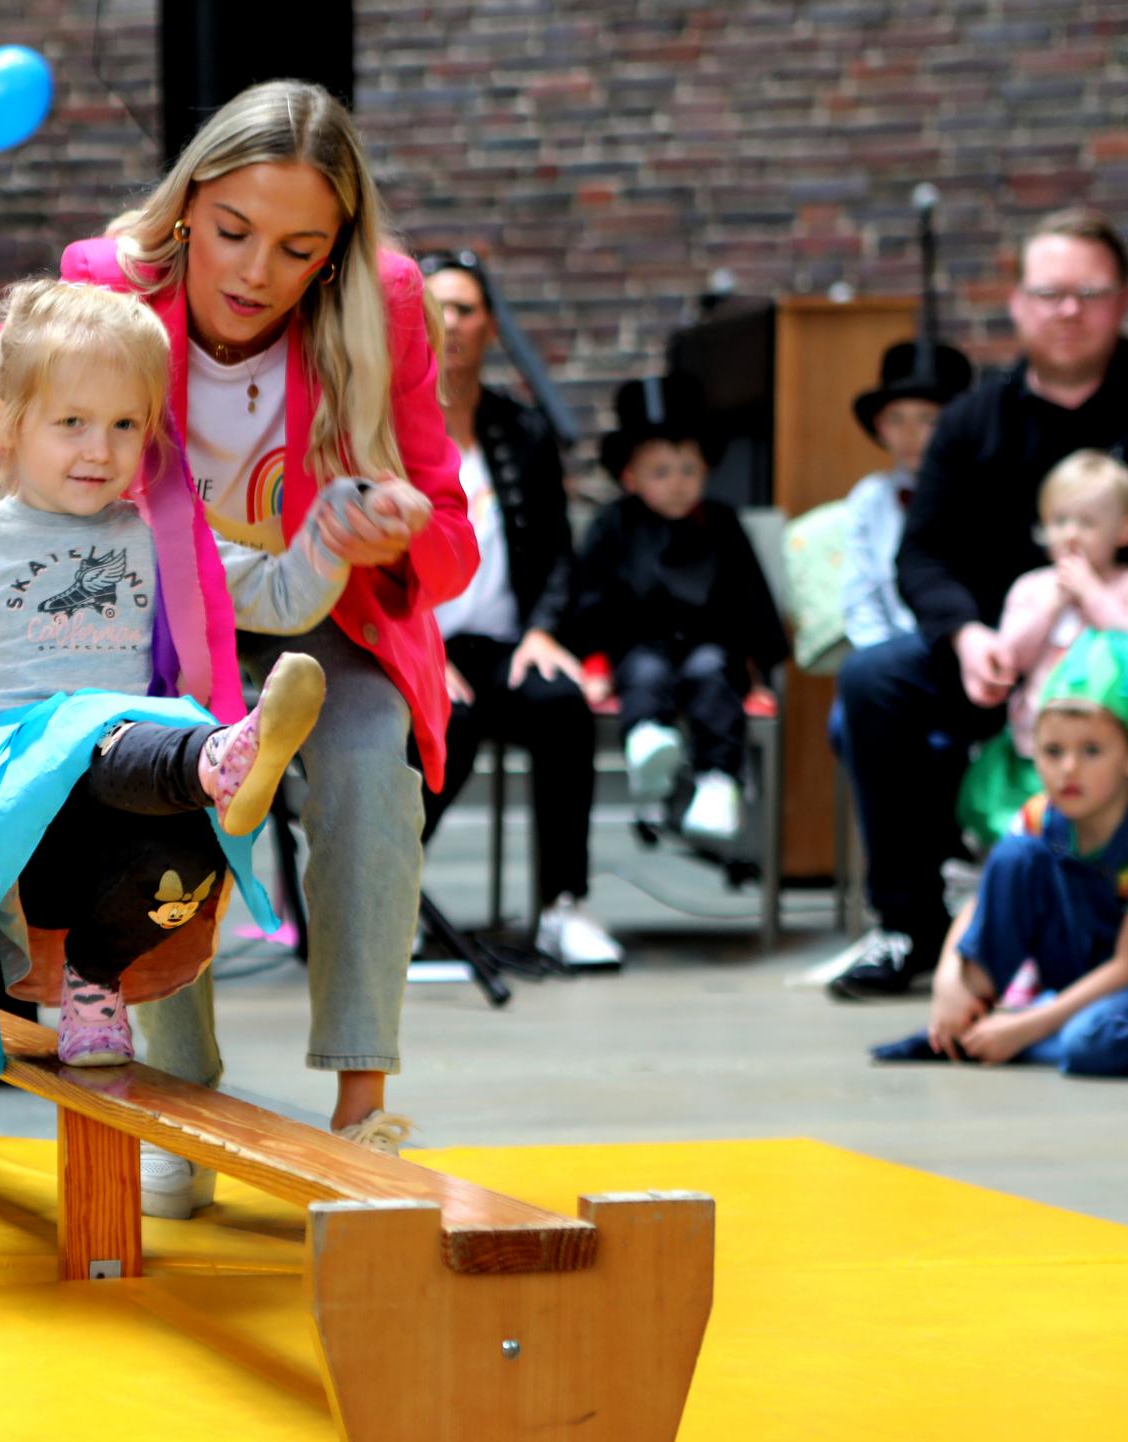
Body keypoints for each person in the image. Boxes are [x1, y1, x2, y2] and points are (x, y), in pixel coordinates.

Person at [0, 81, 474, 1206]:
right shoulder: (104, 292)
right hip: (149, 591)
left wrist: (388, 531)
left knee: (368, 752)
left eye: (296, 249)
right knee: (158, 768)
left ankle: (364, 1110)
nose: (253, 272)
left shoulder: (388, 306)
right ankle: (180, 1097)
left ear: (334, 255)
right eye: (231, 233)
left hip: (308, 592)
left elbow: (446, 529)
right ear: (187, 209)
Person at [0, 280, 399, 1113]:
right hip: (14, 806)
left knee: (190, 855)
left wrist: (330, 531)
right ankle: (219, 758)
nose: (99, 450)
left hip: (123, 810)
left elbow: (282, 599)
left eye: (124, 425)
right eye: (71, 422)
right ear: (5, 421)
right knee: (111, 732)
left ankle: (96, 978)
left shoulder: (159, 538)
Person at [834, 208, 1128, 999]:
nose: (1068, 310)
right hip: (1004, 663)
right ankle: (908, 925)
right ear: (1017, 303)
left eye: (1089, 292)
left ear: (1123, 300)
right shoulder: (970, 422)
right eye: (1050, 292)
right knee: (873, 682)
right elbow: (921, 553)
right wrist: (963, 635)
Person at [417, 251, 615, 968]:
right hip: (415, 646)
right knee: (451, 724)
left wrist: (543, 631)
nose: (451, 323)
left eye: (466, 309)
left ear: (491, 327)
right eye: (436, 306)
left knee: (562, 703)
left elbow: (561, 552)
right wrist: (420, 656)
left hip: (501, 642)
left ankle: (565, 905)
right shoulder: (386, 424)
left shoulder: (521, 431)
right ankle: (389, 899)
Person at [875, 631, 1128, 1076]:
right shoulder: (1048, 824)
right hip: (1081, 977)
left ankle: (1030, 1027)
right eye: (1053, 751)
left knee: (1091, 1041)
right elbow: (984, 900)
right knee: (1017, 854)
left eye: (1091, 751)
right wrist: (947, 980)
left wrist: (1026, 1028)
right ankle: (984, 1010)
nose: (1068, 769)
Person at [564, 373, 788, 843]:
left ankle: (717, 780)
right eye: (660, 472)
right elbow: (590, 599)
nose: (678, 484)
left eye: (689, 470)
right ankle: (648, 740)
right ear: (630, 477)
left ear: (706, 470)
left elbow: (751, 597)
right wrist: (595, 660)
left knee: (713, 675)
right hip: (637, 644)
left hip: (711, 645)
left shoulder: (721, 523)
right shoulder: (613, 526)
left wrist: (759, 669)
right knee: (643, 673)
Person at [958, 452, 1128, 843]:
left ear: (1126, 529)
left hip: (1111, 755)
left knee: (1107, 839)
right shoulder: (1032, 587)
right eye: (1059, 521)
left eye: (1087, 523)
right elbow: (1009, 657)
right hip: (1037, 749)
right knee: (1035, 836)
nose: (1070, 534)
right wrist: (1052, 605)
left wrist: (1092, 594)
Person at [840, 340, 974, 653]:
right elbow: (860, 596)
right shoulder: (870, 498)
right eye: (896, 419)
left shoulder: (981, 494)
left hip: (966, 648)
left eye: (928, 419)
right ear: (880, 428)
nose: (910, 433)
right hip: (890, 652)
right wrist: (879, 657)